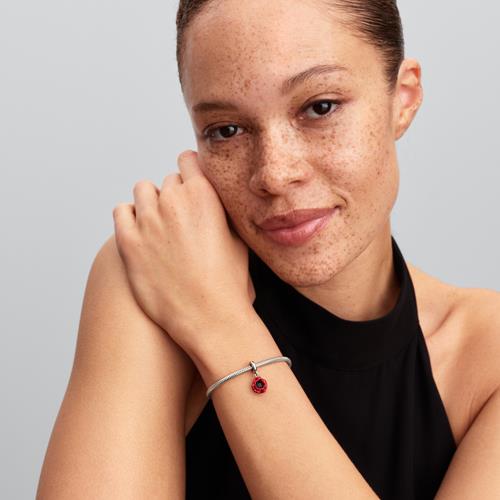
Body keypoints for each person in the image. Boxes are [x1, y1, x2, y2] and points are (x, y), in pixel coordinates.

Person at [37, 0, 500, 498]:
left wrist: (220, 328)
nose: (275, 174)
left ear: (403, 98)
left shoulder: (485, 356)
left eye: (320, 107)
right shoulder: (152, 273)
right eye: (227, 131)